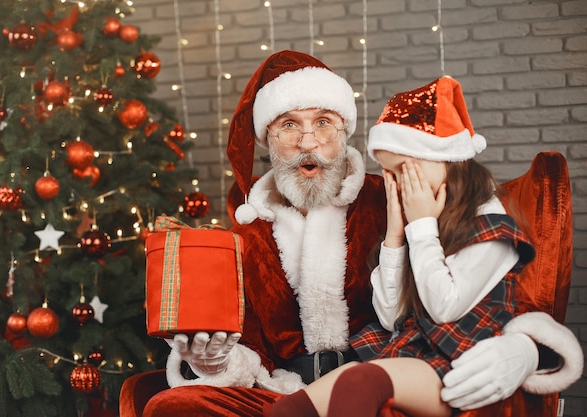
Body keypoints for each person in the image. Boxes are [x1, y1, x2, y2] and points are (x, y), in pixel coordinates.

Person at [141, 51, 583, 417]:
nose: (308, 142)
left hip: (383, 367)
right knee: (176, 405)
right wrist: (215, 362)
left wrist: (525, 348)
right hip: (281, 384)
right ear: (267, 140)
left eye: (323, 123)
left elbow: (506, 293)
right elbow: (244, 341)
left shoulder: (393, 196)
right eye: (289, 125)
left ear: (345, 132)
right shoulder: (246, 229)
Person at [266, 76, 540, 417]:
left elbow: (444, 308)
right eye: (389, 174)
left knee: (359, 383)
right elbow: (392, 315)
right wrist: (395, 236)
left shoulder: (490, 223)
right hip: (410, 350)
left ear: (445, 158)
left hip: (459, 361)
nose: (393, 186)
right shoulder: (425, 219)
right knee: (290, 409)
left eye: (403, 172)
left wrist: (422, 227)